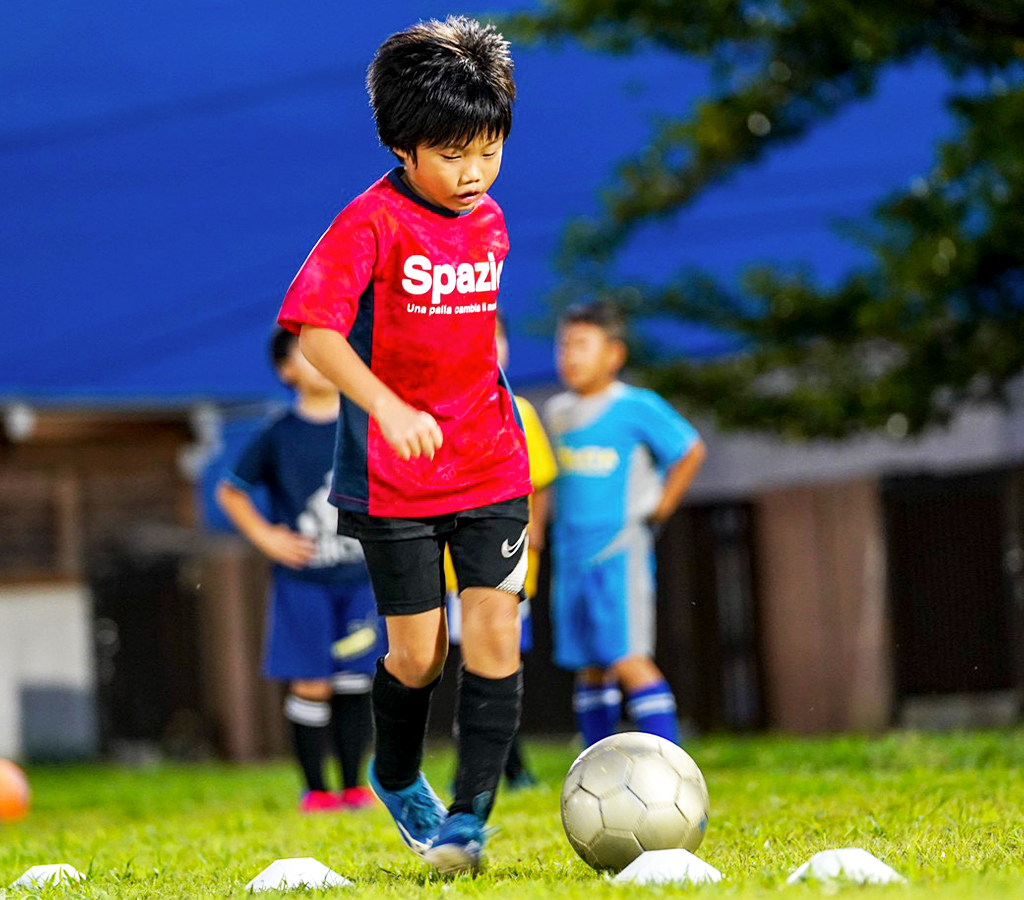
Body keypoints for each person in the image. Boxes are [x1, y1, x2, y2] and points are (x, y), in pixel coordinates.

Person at [276, 16, 530, 874]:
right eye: (453, 153)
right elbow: (315, 331)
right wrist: (387, 407)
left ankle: (467, 820)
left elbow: (467, 334)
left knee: (494, 636)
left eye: (488, 149)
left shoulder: (491, 221)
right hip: (395, 479)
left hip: (491, 459)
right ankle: (393, 773)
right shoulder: (370, 223)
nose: (473, 173)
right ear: (402, 144)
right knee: (419, 655)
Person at [216, 328, 385, 813]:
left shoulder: (364, 421)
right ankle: (315, 790)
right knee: (311, 682)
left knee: (357, 679)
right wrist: (267, 537)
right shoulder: (279, 433)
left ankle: (355, 787)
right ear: (285, 371)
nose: (321, 361)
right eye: (306, 355)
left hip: (359, 583)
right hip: (303, 584)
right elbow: (230, 491)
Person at [543, 301, 706, 748]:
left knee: (628, 657)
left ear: (614, 354)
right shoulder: (557, 413)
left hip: (618, 549)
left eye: (582, 345)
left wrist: (660, 506)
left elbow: (690, 450)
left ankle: (667, 761)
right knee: (589, 664)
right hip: (569, 553)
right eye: (564, 345)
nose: (570, 355)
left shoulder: (636, 406)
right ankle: (596, 761)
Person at [445, 310, 557, 790]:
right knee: (476, 664)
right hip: (457, 573)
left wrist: (536, 529)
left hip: (511, 564)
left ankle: (504, 767)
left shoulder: (520, 409)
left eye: (495, 340)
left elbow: (542, 481)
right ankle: (494, 769)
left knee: (502, 660)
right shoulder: (444, 411)